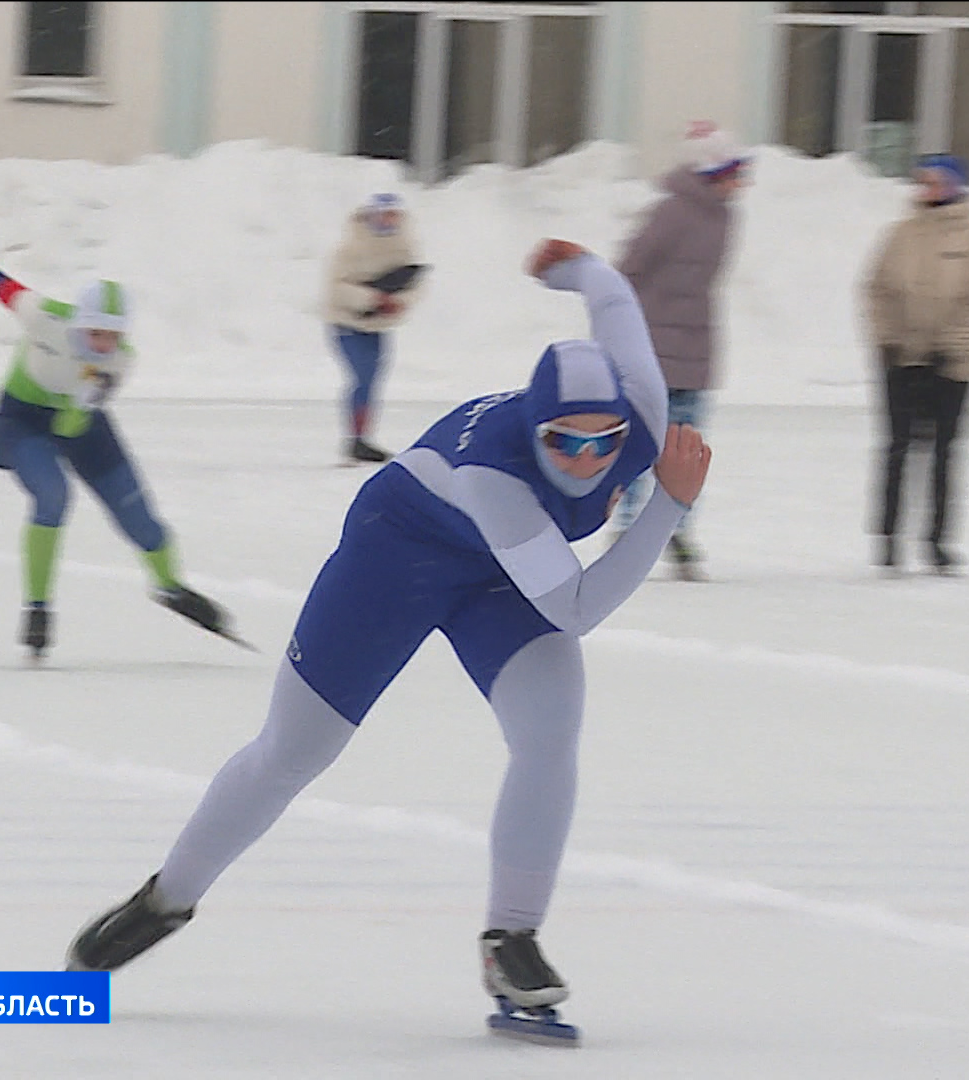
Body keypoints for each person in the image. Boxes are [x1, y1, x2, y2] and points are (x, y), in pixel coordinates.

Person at [62, 239, 712, 1018]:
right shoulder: (495, 475)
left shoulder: (640, 409)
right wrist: (668, 506)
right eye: (563, 442)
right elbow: (577, 608)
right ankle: (165, 899)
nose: (585, 459)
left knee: (550, 727)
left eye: (603, 443)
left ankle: (512, 939)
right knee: (293, 752)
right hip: (394, 555)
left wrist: (568, 267)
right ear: (533, 430)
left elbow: (612, 295)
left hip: (498, 578)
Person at [0, 210, 238, 657]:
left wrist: (84, 394)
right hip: (23, 419)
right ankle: (37, 608)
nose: (102, 344)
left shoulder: (119, 363)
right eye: (95, 332)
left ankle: (171, 587)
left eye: (112, 336)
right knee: (52, 497)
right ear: (79, 322)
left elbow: (73, 424)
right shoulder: (43, 316)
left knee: (141, 520)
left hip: (81, 423)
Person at [609, 122, 748, 581]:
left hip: (696, 344)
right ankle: (628, 527)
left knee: (687, 444)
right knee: (643, 439)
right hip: (653, 345)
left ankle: (678, 530)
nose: (740, 181)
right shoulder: (670, 213)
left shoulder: (727, 217)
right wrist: (623, 327)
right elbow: (629, 269)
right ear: (713, 171)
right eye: (733, 171)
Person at [861, 153, 969, 575]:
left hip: (953, 366)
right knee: (897, 448)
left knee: (944, 453)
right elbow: (876, 289)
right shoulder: (901, 234)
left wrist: (955, 345)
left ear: (956, 185)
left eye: (936, 181)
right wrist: (886, 340)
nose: (927, 189)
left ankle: (938, 541)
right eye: (922, 181)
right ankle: (887, 538)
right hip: (903, 359)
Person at [323, 192, 426, 464]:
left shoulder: (403, 246)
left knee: (372, 381)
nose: (388, 221)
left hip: (377, 325)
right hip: (346, 323)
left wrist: (398, 302)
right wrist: (372, 299)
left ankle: (362, 439)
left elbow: (416, 284)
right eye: (383, 215)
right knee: (363, 377)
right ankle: (356, 439)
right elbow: (335, 289)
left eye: (393, 215)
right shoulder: (350, 248)